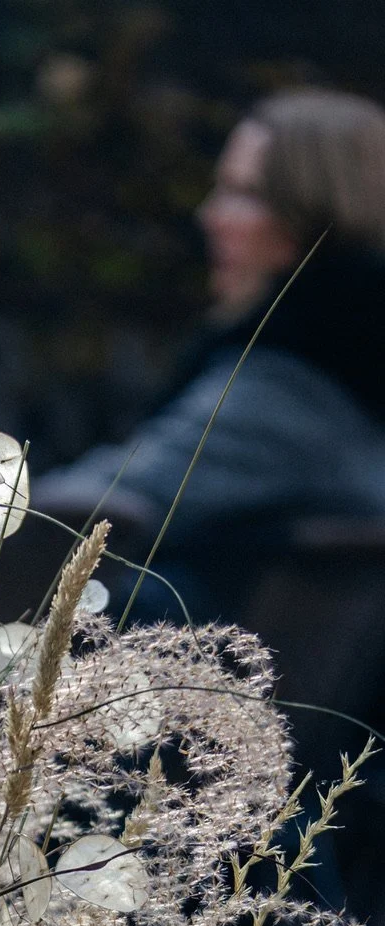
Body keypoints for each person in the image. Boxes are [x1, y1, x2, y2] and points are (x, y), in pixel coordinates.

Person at [34, 90, 385, 591]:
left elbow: (95, 505)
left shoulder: (290, 389)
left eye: (246, 194)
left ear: (319, 219)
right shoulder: (344, 375)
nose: (210, 216)